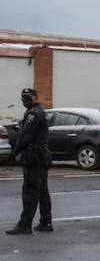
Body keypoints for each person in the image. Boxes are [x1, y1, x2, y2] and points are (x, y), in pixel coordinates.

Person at [7, 87, 53, 235]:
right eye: (23, 98)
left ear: (35, 98)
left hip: (34, 155)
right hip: (42, 154)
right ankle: (46, 221)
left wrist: (15, 152)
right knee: (41, 190)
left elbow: (25, 135)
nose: (25, 100)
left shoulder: (33, 114)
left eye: (28, 97)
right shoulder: (41, 113)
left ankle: (25, 224)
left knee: (30, 190)